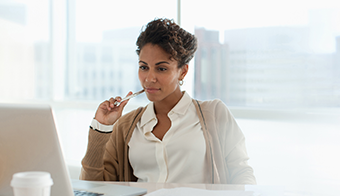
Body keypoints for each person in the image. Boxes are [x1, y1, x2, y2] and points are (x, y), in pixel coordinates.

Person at [80, 18, 256, 184]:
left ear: (182, 71)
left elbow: (242, 173)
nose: (149, 78)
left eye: (161, 68)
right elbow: (94, 188)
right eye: (143, 67)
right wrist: (102, 126)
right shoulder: (126, 126)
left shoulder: (214, 113)